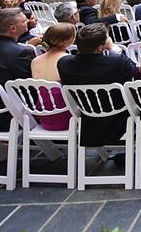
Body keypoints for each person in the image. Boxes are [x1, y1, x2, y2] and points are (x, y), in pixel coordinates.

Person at [58, 24, 136, 153]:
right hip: (119, 119)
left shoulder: (64, 63)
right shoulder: (117, 62)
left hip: (87, 118)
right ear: (100, 47)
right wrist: (112, 48)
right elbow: (133, 70)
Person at [29, 23, 76, 131]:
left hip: (43, 113)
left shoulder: (35, 61)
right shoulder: (68, 60)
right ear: (67, 41)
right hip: (66, 114)